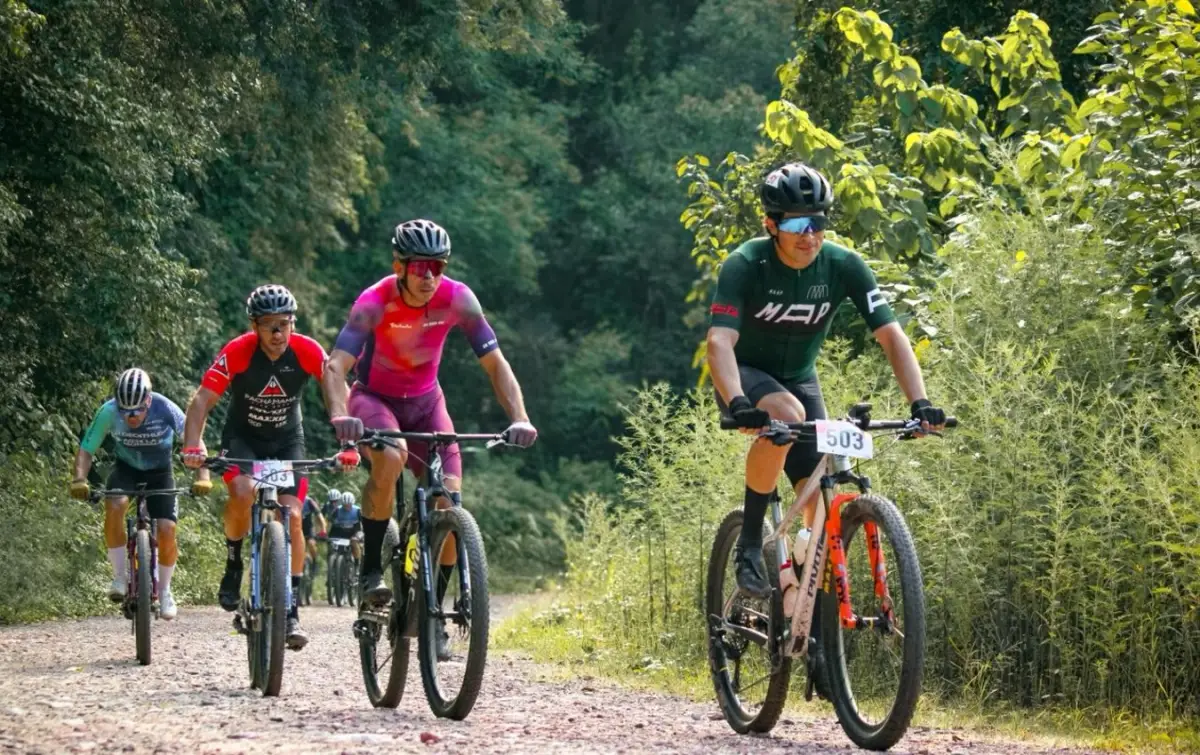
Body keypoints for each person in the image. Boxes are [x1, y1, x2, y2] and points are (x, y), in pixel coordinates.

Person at [706, 162, 946, 639]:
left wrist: (920, 402)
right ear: (771, 224)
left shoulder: (842, 265)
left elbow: (891, 335)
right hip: (747, 376)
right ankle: (751, 542)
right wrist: (737, 403)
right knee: (786, 417)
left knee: (818, 507)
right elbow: (719, 343)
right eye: (796, 223)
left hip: (800, 377)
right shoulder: (745, 264)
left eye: (817, 222)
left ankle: (797, 582)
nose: (808, 234)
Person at [321, 218, 538, 611]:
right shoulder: (374, 302)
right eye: (420, 267)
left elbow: (496, 364)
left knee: (450, 503)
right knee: (392, 454)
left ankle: (433, 615)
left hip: (427, 404)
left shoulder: (459, 300)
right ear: (399, 266)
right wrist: (340, 415)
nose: (429, 276)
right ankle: (371, 572)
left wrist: (520, 417)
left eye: (438, 267)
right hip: (374, 401)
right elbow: (335, 366)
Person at [180, 284, 359, 650]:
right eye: (269, 326)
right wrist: (193, 444)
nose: (278, 334)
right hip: (244, 438)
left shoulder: (307, 349)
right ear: (254, 326)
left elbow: (335, 390)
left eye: (284, 324)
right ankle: (233, 563)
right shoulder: (239, 351)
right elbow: (201, 400)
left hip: (287, 439)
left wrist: (349, 442)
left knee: (293, 517)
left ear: (293, 323)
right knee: (243, 492)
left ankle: (291, 608)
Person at [70, 368, 212, 620]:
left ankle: (165, 589)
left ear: (148, 400)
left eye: (136, 410)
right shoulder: (108, 411)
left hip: (160, 472)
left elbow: (193, 439)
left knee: (167, 530)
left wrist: (203, 477)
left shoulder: (165, 407)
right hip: (126, 470)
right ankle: (119, 577)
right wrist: (80, 479)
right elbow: (86, 449)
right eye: (125, 411)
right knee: (115, 505)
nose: (130, 416)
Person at [327, 490, 363, 563]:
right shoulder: (337, 510)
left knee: (354, 542)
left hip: (355, 531)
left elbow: (365, 524)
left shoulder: (358, 511)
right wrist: (326, 534)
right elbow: (329, 522)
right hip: (340, 531)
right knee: (330, 543)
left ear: (352, 503)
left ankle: (357, 562)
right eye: (344, 505)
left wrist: (361, 535)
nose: (346, 507)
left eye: (349, 505)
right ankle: (332, 562)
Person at [301, 495, 327, 578]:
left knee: (311, 544)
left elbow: (320, 516)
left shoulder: (309, 501)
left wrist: (323, 530)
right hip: (296, 528)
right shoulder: (291, 498)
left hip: (308, 529)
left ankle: (315, 563)